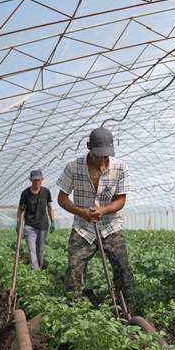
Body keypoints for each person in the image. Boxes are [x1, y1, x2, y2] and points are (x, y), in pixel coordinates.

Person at [56, 127, 137, 314]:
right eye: (99, 155)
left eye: (106, 156)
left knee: (124, 269)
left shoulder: (120, 167)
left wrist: (104, 210)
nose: (103, 160)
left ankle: (128, 312)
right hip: (83, 228)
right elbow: (62, 198)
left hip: (111, 227)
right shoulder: (73, 167)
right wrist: (81, 212)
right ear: (88, 147)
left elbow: (121, 199)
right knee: (74, 271)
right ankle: (73, 312)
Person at [18, 169, 55, 269]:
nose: (37, 182)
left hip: (43, 225)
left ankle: (40, 266)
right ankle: (36, 271)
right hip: (29, 225)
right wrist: (19, 225)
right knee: (32, 250)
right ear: (31, 180)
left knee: (40, 249)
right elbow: (20, 210)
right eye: (34, 180)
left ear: (42, 180)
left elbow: (50, 207)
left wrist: (53, 221)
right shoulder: (25, 193)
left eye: (38, 180)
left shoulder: (46, 192)